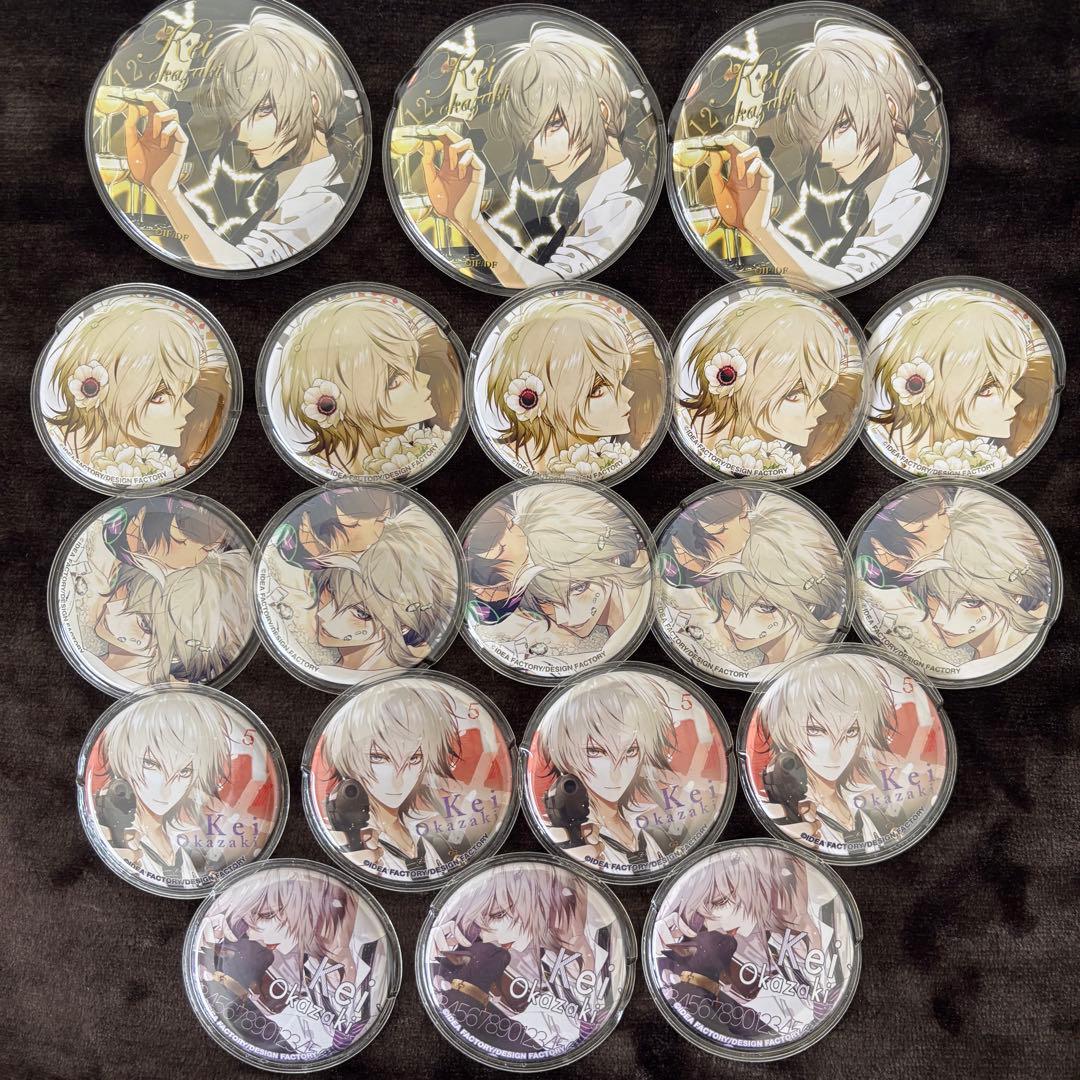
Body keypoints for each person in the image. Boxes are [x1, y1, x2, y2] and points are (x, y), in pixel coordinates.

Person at [705, 22, 939, 290]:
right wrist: (756, 227)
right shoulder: (878, 196)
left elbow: (842, 284)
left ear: (890, 109)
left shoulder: (913, 201)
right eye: (816, 137)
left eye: (841, 125)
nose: (826, 155)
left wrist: (762, 229)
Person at [413, 25, 651, 287]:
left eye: (554, 124)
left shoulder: (623, 206)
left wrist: (472, 221)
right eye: (530, 134)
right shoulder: (587, 204)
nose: (537, 151)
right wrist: (463, 217)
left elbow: (547, 287)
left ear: (602, 112)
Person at [122, 11, 359, 270]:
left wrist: (167, 191)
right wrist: (160, 186)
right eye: (237, 115)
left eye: (263, 110)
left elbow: (239, 264)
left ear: (313, 106)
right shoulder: (284, 191)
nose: (242, 133)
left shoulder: (323, 201)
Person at [678, 288, 861, 476]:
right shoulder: (691, 426)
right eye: (794, 394)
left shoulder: (801, 454)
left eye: (821, 393)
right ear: (735, 381)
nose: (820, 410)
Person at [46, 296, 228, 481]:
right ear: (102, 393)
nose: (187, 408)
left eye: (184, 392)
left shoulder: (163, 461)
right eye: (159, 397)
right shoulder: (61, 442)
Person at [276, 295, 461, 476]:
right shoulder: (323, 465)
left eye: (414, 365)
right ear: (336, 404)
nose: (424, 379)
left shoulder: (428, 440)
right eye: (393, 382)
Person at [869, 289, 1050, 473]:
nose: (1017, 399)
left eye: (1011, 383)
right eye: (986, 389)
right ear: (926, 388)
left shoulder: (993, 454)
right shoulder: (879, 437)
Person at [481, 295, 661, 475]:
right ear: (540, 401)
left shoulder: (613, 452)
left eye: (619, 378)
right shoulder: (513, 456)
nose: (628, 393)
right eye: (597, 390)